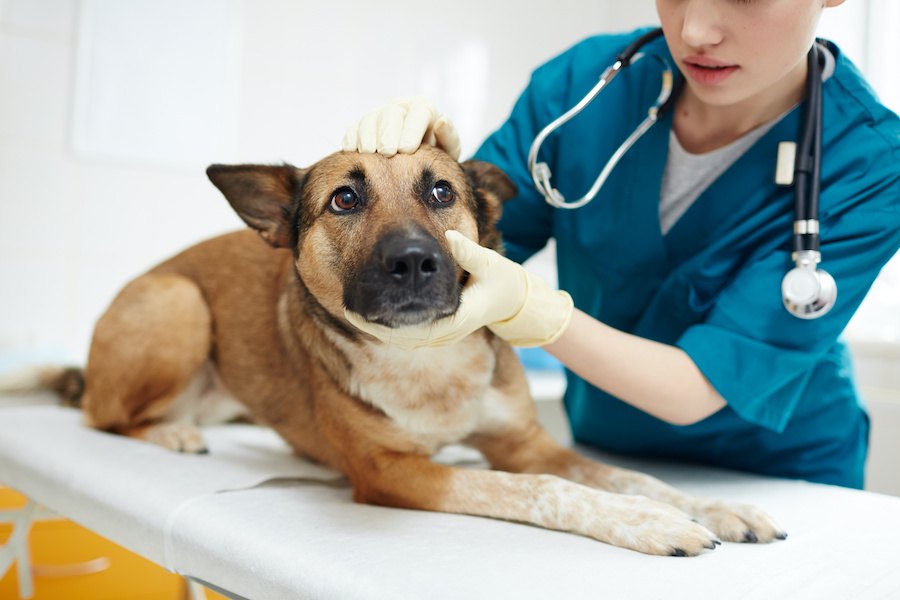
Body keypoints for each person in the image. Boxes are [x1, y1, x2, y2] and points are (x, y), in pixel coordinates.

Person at [341, 0, 900, 489]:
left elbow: (697, 387)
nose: (696, 30)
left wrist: (536, 314)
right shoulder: (582, 85)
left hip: (783, 478)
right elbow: (469, 257)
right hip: (604, 451)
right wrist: (432, 183)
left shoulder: (871, 163)